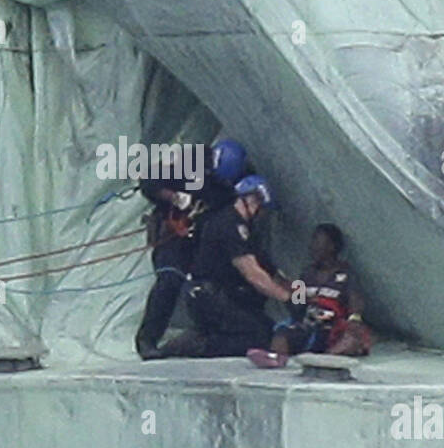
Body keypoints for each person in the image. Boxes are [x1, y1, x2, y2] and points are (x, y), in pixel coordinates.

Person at [135, 139, 248, 359]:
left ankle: (205, 337)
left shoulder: (228, 190)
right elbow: (149, 181)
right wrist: (175, 197)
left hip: (202, 241)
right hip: (172, 234)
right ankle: (146, 340)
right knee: (169, 279)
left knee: (209, 287)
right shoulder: (190, 163)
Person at [159, 174, 292, 358]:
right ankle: (195, 345)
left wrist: (299, 296)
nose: (263, 215)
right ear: (253, 201)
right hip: (208, 295)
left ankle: (201, 339)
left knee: (266, 328)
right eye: (262, 209)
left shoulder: (247, 232)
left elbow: (272, 273)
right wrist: (286, 298)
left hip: (217, 295)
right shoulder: (230, 225)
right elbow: (253, 274)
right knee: (258, 336)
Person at [247, 223, 371, 368]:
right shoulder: (307, 273)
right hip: (308, 326)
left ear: (332, 246)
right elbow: (296, 303)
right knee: (282, 333)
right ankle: (276, 359)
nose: (312, 247)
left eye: (317, 241)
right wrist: (290, 290)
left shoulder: (345, 273)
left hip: (332, 329)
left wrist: (354, 319)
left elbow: (355, 303)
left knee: (352, 338)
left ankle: (326, 360)